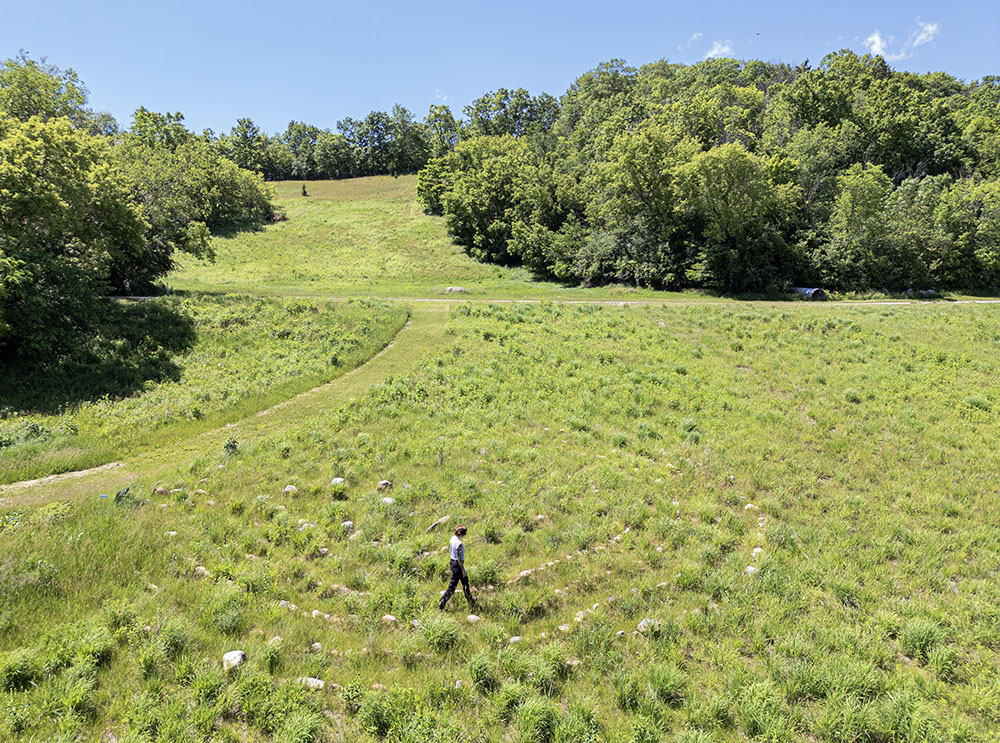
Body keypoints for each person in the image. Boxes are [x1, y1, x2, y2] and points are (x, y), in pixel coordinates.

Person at [439, 525, 476, 610]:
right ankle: (442, 602)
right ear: (462, 534)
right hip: (458, 565)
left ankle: (470, 598)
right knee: (452, 586)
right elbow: (459, 558)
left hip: (453, 562)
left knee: (465, 581)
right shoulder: (459, 544)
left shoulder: (453, 538)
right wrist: (463, 570)